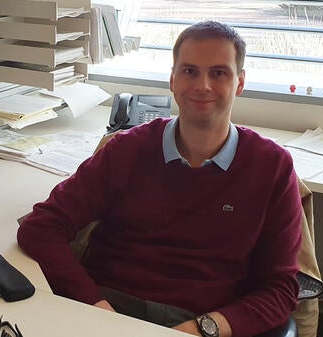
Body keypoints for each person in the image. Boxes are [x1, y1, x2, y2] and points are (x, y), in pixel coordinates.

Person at [17, 21, 302, 337]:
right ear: (172, 79)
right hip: (109, 309)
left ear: (239, 83)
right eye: (190, 71)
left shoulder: (271, 166)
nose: (203, 85)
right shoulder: (128, 149)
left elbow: (280, 289)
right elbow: (41, 227)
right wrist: (96, 308)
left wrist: (201, 328)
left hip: (200, 321)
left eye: (219, 73)